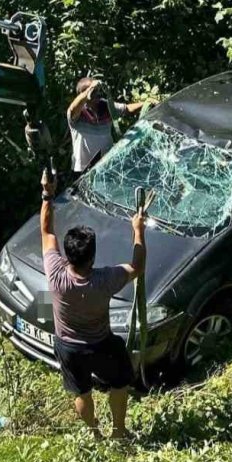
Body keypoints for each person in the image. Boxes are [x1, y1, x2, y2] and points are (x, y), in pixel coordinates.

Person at [40, 168, 146, 439]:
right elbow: (137, 267)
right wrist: (138, 231)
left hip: (68, 346)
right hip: (101, 344)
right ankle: (119, 431)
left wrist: (47, 194)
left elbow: (46, 230)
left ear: (68, 254)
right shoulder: (105, 279)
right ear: (93, 257)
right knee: (120, 383)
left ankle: (94, 432)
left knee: (81, 392)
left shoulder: (55, 273)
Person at [67, 78, 144, 180]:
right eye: (94, 91)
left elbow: (127, 109)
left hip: (106, 167)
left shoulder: (105, 105)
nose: (97, 93)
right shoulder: (77, 113)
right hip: (82, 171)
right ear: (82, 93)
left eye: (98, 90)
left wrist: (146, 103)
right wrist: (91, 88)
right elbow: (72, 108)